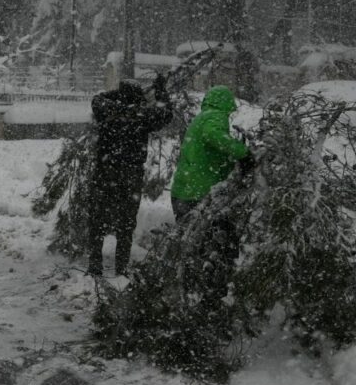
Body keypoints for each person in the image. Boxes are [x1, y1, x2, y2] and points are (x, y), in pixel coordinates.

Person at [86, 77, 173, 276]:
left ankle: (95, 265)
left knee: (97, 218)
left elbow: (96, 100)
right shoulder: (143, 115)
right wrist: (161, 91)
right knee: (125, 222)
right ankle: (121, 267)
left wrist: (115, 96)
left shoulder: (107, 109)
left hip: (104, 171)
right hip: (131, 174)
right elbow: (166, 114)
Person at [170, 85, 254, 221]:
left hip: (183, 191)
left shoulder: (201, 118)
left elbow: (212, 153)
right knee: (211, 237)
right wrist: (243, 153)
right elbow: (214, 135)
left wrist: (232, 163)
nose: (229, 114)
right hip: (199, 192)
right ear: (226, 103)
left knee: (187, 235)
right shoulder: (216, 116)